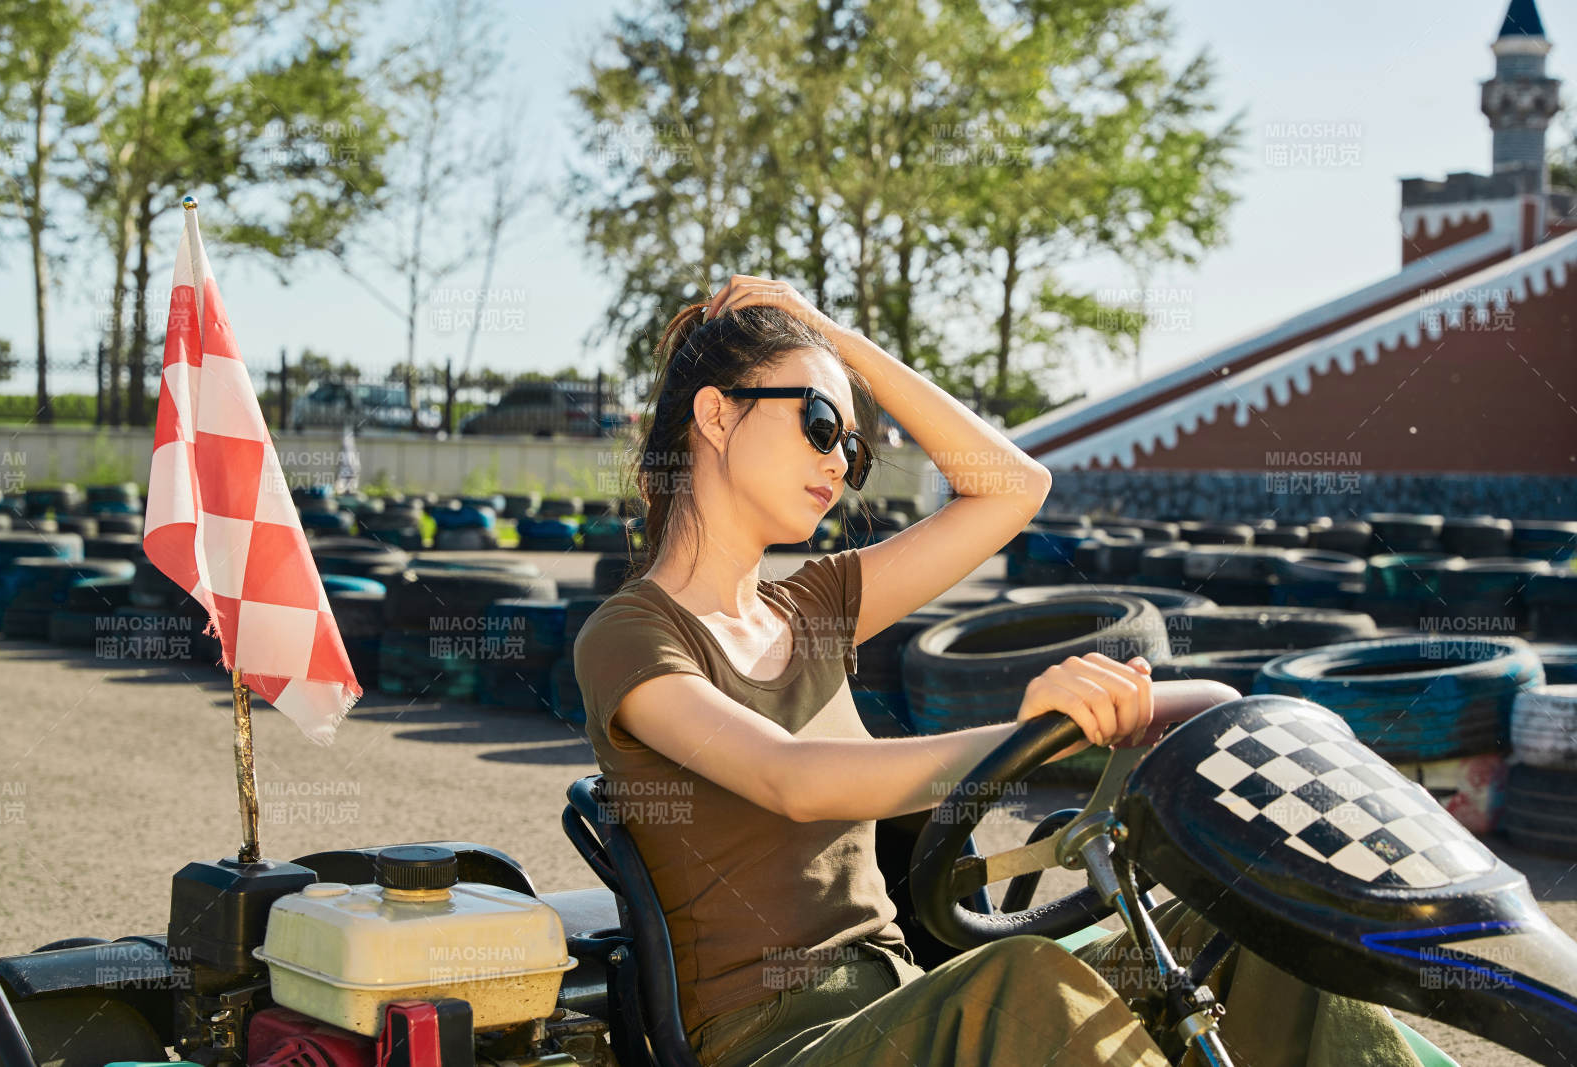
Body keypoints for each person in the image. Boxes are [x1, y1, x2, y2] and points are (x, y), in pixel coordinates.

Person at [572, 276, 1423, 1067]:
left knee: (1256, 931)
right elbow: (790, 778)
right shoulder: (631, 633)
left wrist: (838, 340)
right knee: (1023, 981)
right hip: (782, 1038)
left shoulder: (816, 605)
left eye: (853, 449)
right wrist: (1032, 734)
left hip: (905, 997)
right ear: (716, 415)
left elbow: (1013, 487)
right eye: (821, 423)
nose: (838, 462)